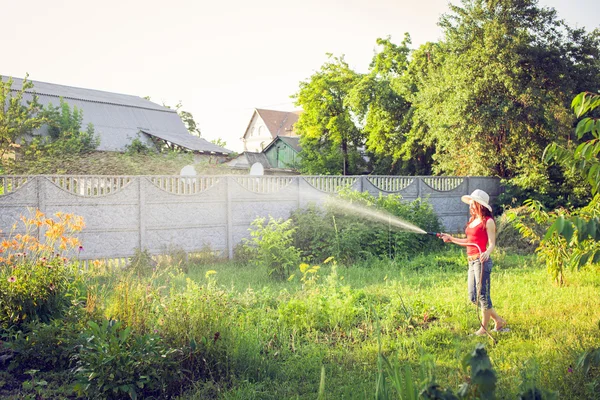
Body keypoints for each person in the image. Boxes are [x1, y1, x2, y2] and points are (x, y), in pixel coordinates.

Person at [440, 189, 508, 336]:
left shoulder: (488, 221)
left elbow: (491, 244)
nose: (470, 206)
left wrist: (487, 253)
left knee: (483, 295)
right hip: (471, 262)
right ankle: (499, 321)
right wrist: (451, 238)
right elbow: (469, 242)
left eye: (472, 203)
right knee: (473, 296)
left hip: (481, 261)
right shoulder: (472, 221)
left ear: (480, 205)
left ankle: (483, 329)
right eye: (470, 203)